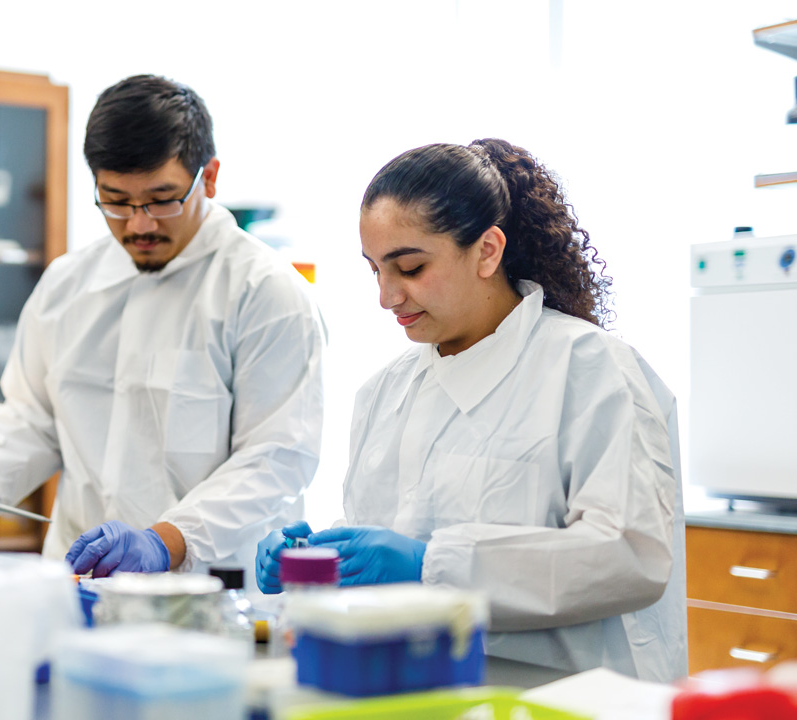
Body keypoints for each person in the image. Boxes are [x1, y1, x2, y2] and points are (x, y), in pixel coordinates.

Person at [256, 139, 686, 682]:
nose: (386, 297)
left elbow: (629, 556)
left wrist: (428, 566)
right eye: (374, 271)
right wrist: (318, 557)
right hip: (420, 691)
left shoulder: (593, 372)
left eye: (409, 267)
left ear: (488, 250)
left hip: (566, 701)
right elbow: (391, 533)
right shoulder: (384, 392)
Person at [0, 75, 325, 582]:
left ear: (209, 178)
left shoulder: (266, 293)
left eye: (161, 198)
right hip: (76, 581)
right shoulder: (67, 284)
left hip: (203, 594)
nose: (140, 225)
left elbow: (276, 459)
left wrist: (166, 541)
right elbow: (34, 417)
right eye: (116, 201)